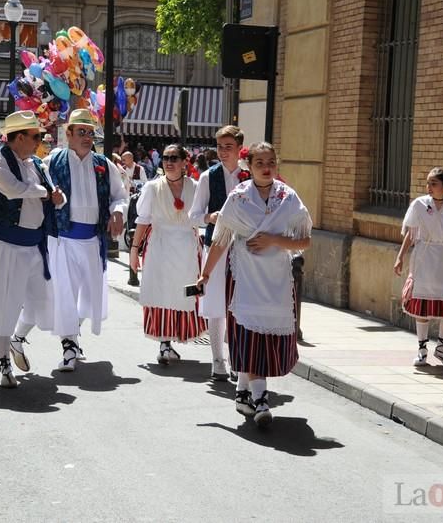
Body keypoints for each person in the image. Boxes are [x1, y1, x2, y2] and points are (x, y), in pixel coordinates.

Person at [196, 142, 312, 427]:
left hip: (275, 281)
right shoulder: (238, 198)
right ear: (249, 166)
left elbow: (304, 240)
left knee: (266, 338)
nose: (266, 167)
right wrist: (205, 274)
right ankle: (261, 399)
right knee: (249, 335)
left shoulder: (288, 197)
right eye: (259, 162)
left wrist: (274, 240)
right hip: (244, 277)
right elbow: (221, 239)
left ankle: (242, 392)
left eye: (270, 161)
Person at [0, 110, 65, 388]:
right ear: (20, 137)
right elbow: (13, 189)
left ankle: (16, 338)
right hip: (6, 245)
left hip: (34, 245)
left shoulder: (38, 164)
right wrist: (43, 192)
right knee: (4, 304)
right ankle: (3, 362)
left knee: (43, 304)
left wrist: (58, 198)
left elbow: (53, 196)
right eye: (36, 136)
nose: (40, 141)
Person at [42, 109, 127, 371]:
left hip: (92, 240)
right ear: (68, 134)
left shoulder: (103, 164)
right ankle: (68, 346)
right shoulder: (52, 162)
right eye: (82, 132)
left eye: (91, 133)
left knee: (87, 296)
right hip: (62, 240)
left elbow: (120, 195)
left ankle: (73, 334)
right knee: (65, 293)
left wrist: (118, 212)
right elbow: (39, 193)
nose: (88, 137)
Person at [130, 144, 207, 364]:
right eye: (165, 158)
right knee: (160, 292)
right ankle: (164, 344)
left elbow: (202, 217)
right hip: (160, 246)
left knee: (185, 294)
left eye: (174, 157)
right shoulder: (153, 187)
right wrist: (134, 251)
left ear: (185, 162)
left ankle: (177, 337)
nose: (169, 162)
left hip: (187, 248)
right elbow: (143, 220)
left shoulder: (196, 186)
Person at [188, 126, 251, 381]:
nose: (223, 152)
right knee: (215, 304)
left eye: (228, 147)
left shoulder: (249, 176)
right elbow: (193, 215)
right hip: (215, 247)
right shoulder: (208, 177)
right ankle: (217, 361)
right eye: (219, 147)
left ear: (238, 148)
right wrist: (209, 216)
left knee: (239, 306)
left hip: (243, 249)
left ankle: (236, 359)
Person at [393, 167, 443, 367]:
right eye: (427, 183)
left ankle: (442, 346)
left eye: (433, 183)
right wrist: (400, 257)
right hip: (424, 259)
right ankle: (422, 349)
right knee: (422, 306)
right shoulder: (419, 205)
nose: (428, 187)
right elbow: (411, 233)